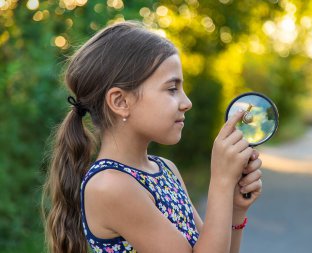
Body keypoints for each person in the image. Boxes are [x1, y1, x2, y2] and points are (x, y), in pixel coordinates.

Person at [42, 21, 263, 253]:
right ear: (120, 102)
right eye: (171, 89)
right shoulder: (110, 186)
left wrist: (235, 208)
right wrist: (221, 181)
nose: (187, 103)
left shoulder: (165, 169)